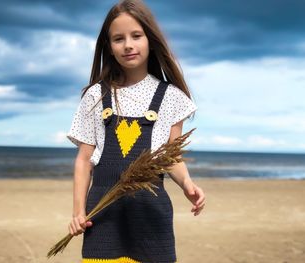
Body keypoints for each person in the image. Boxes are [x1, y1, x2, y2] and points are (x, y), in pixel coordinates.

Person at [66, 0, 206, 262]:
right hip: (103, 213)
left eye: (136, 36)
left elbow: (171, 157)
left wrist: (187, 183)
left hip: (151, 214)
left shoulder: (171, 97)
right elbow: (84, 161)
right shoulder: (96, 95)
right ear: (109, 47)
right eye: (118, 38)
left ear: (150, 40)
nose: (128, 44)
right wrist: (78, 211)